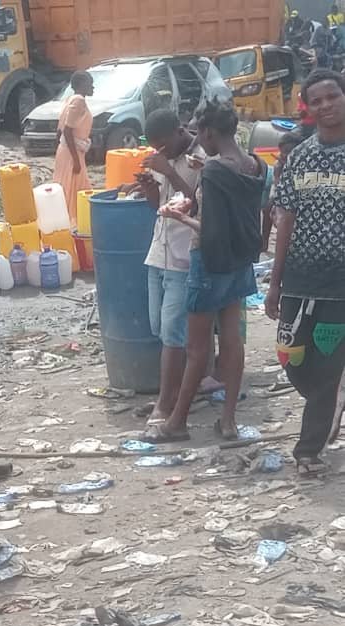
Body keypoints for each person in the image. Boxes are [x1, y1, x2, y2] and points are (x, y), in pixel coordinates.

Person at [147, 99, 267, 443]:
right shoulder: (255, 165)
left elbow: (209, 228)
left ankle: (177, 422)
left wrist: (179, 217)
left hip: (209, 262)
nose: (198, 139)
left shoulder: (213, 171)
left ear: (210, 132)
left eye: (200, 133)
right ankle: (228, 421)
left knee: (197, 349)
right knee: (232, 341)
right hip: (239, 263)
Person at [268, 70, 345, 477]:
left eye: (333, 96)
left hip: (340, 284)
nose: (326, 105)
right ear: (308, 109)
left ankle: (308, 450)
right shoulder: (300, 156)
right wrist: (274, 282)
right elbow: (285, 220)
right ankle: (330, 400)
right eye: (317, 101)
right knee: (291, 359)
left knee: (328, 365)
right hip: (299, 278)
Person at [134, 110, 207, 428]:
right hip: (158, 253)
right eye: (155, 147)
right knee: (159, 328)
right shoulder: (165, 159)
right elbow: (160, 205)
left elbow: (199, 203)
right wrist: (150, 187)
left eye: (163, 145)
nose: (159, 151)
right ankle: (175, 392)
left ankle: (167, 404)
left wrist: (170, 172)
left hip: (184, 255)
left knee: (172, 333)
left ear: (179, 132)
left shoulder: (201, 157)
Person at [53, 71, 95, 222]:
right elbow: (67, 131)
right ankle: (76, 223)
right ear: (82, 84)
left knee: (68, 188)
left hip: (66, 152)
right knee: (76, 190)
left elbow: (59, 132)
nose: (93, 87)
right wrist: (76, 160)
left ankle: (69, 222)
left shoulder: (70, 99)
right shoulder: (79, 101)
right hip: (72, 154)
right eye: (90, 83)